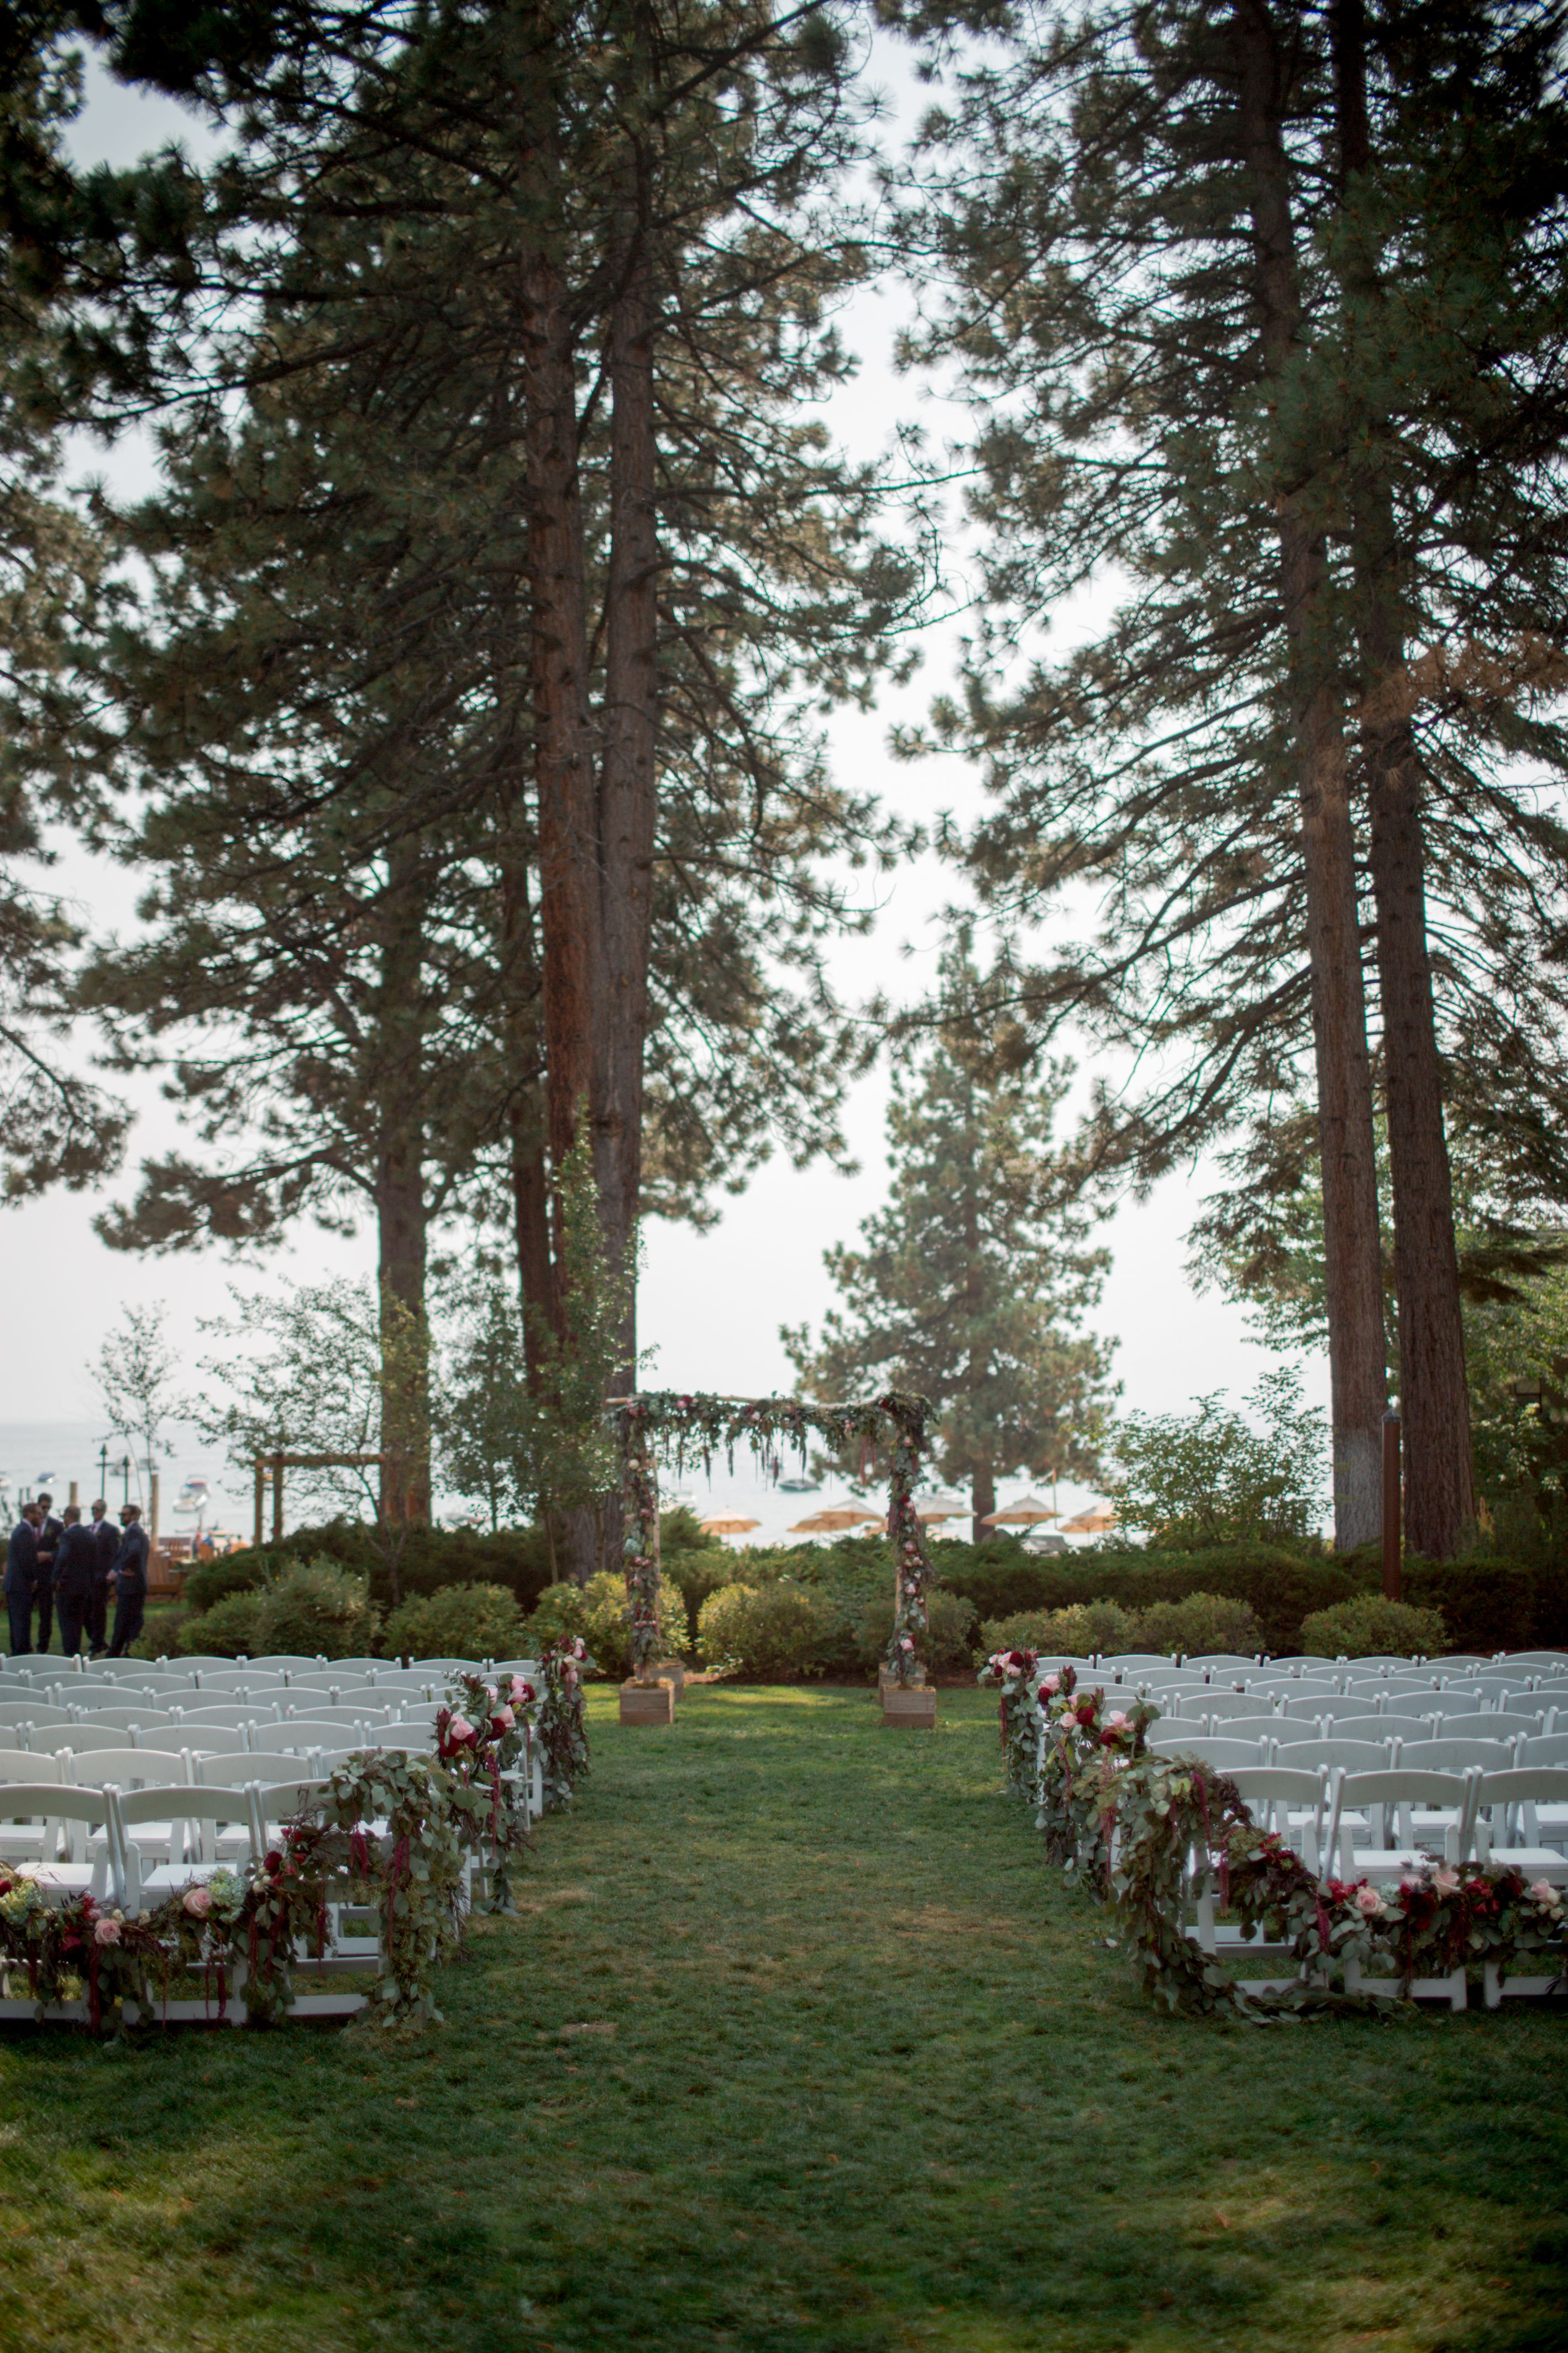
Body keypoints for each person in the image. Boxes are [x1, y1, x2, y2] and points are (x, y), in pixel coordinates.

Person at [53, 1504, 96, 1660]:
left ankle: (70, 1651)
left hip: (68, 1585)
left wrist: (55, 1578)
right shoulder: (90, 1536)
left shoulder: (67, 1536)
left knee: (66, 1620)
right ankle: (76, 1650)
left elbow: (63, 1557)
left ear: (68, 1517)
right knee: (78, 1619)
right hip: (84, 1585)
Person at [107, 1503, 149, 1658]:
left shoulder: (134, 1533)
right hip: (132, 1585)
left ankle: (117, 1653)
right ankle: (129, 1651)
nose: (121, 1517)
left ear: (134, 1516)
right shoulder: (132, 1532)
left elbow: (133, 1552)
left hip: (132, 1585)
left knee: (126, 1620)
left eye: (124, 1514)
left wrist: (121, 1571)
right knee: (131, 1620)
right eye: (120, 1514)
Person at [4, 1504, 39, 1656]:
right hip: (20, 1584)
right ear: (29, 1514)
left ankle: (19, 1652)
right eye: (38, 1513)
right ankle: (20, 1654)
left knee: (18, 1621)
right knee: (21, 1622)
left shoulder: (20, 1530)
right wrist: (34, 1579)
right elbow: (26, 1560)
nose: (41, 1516)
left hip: (14, 1583)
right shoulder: (25, 1532)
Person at [88, 1499, 117, 1658]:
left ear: (104, 1511)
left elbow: (114, 1553)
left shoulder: (110, 1530)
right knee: (87, 1611)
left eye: (98, 1509)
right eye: (93, 1509)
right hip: (87, 1577)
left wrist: (111, 1572)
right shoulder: (87, 1529)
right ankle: (96, 1639)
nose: (95, 1511)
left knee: (99, 1611)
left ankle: (97, 1642)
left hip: (101, 1577)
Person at [33, 1492, 61, 1655]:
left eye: (48, 1508)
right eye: (43, 1507)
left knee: (46, 1613)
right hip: (30, 1574)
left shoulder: (56, 1526)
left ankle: (43, 1646)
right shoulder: (30, 1525)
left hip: (46, 1575)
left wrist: (49, 1555)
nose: (45, 1510)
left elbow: (62, 1550)